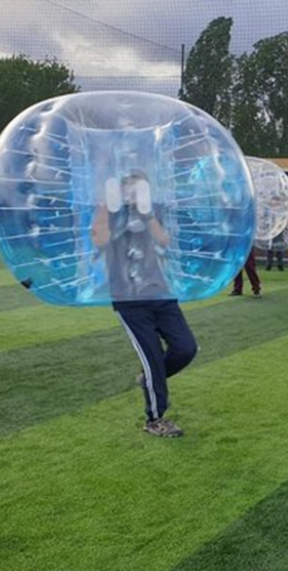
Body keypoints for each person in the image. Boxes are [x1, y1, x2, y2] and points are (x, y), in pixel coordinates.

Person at [91, 170, 198, 438]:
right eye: (131, 190)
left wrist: (147, 214)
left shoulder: (154, 212)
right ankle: (155, 418)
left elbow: (164, 241)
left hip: (161, 293)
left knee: (186, 348)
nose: (135, 195)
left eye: (141, 190)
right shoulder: (111, 214)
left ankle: (150, 378)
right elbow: (100, 240)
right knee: (151, 359)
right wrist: (106, 203)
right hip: (130, 300)